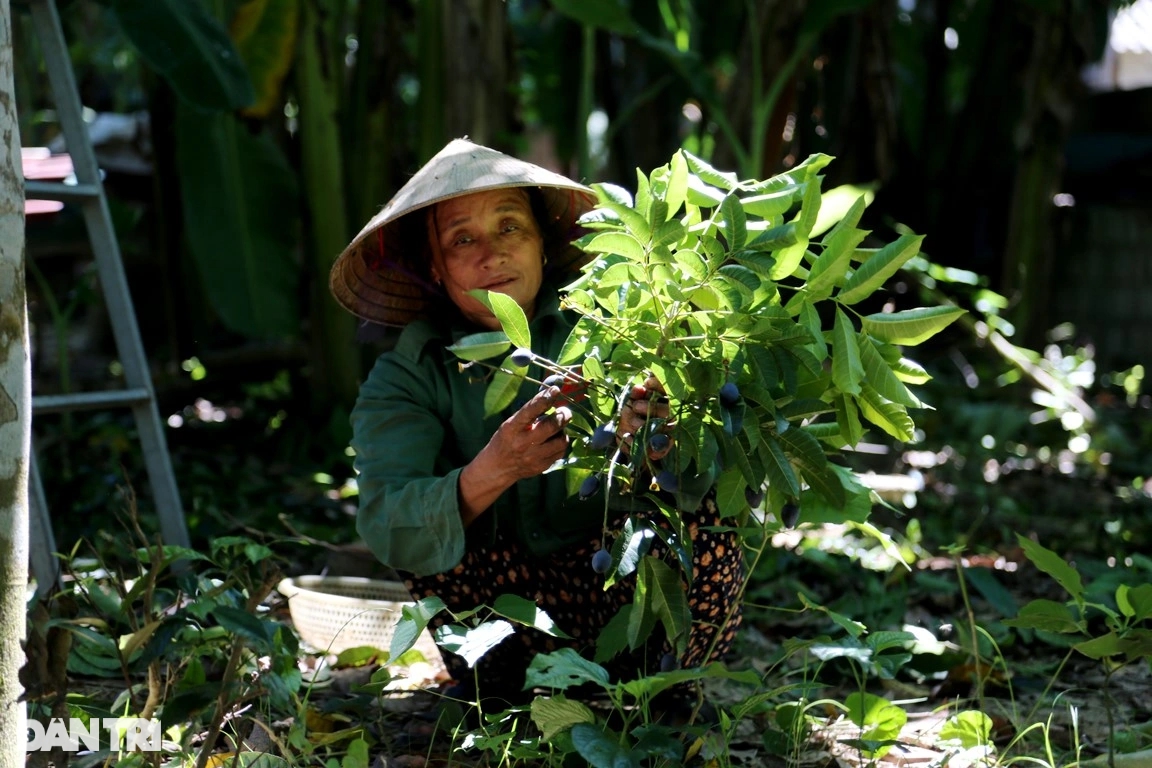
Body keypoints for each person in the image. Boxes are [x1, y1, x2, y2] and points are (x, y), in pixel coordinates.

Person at [329, 139, 745, 706]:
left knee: (709, 521)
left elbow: (710, 474)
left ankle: (656, 688)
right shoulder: (410, 374)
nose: (492, 253)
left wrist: (656, 446)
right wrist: (491, 472)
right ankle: (508, 701)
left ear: (542, 244)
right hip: (497, 622)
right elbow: (385, 521)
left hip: (619, 597)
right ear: (436, 267)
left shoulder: (615, 328)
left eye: (510, 227)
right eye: (462, 239)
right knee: (431, 531)